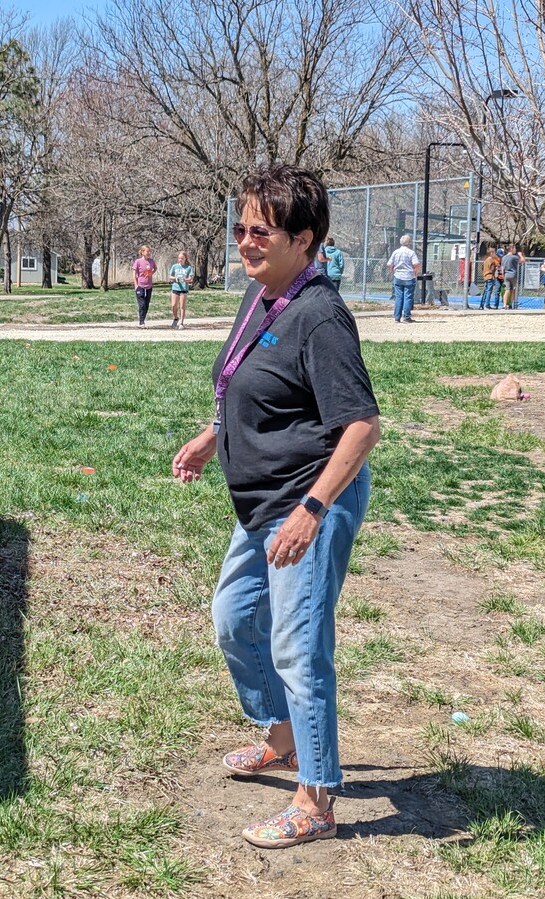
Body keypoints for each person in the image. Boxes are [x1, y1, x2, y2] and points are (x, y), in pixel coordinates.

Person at [172, 163, 379, 849]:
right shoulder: (264, 297)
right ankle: (284, 738)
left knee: (298, 649)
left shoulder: (320, 315)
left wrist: (313, 510)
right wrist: (210, 437)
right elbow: (249, 385)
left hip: (308, 500)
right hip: (263, 503)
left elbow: (360, 427)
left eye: (262, 231)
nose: (246, 241)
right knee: (234, 620)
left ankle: (316, 800)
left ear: (305, 239)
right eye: (241, 227)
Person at [387, 234, 420, 323]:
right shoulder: (411, 252)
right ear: (409, 243)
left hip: (398, 276)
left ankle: (397, 317)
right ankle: (406, 317)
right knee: (408, 297)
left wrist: (393, 271)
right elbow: (416, 264)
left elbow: (389, 264)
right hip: (409, 277)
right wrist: (415, 272)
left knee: (399, 297)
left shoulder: (396, 252)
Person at [168, 251, 194, 330]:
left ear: (185, 258)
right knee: (173, 305)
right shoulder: (174, 266)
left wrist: (185, 279)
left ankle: (181, 323)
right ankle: (176, 318)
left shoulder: (188, 267)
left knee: (182, 306)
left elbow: (190, 279)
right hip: (175, 288)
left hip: (183, 289)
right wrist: (175, 278)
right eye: (179, 258)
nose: (180, 260)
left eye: (182, 258)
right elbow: (170, 276)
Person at [133, 245, 156, 327]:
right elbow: (134, 274)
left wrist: (151, 274)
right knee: (142, 304)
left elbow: (155, 269)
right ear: (142, 252)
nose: (149, 253)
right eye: (147, 251)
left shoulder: (151, 261)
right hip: (140, 285)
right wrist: (136, 285)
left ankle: (143, 318)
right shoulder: (138, 261)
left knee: (146, 304)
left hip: (149, 285)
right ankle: (141, 322)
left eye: (149, 251)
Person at [500, 244, 525, 309]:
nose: (515, 250)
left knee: (507, 290)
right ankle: (510, 304)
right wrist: (520, 255)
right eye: (514, 249)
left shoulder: (504, 257)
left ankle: (504, 305)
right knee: (513, 289)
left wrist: (503, 275)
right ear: (511, 249)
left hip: (506, 275)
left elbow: (502, 268)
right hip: (513, 274)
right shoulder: (514, 257)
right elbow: (523, 261)